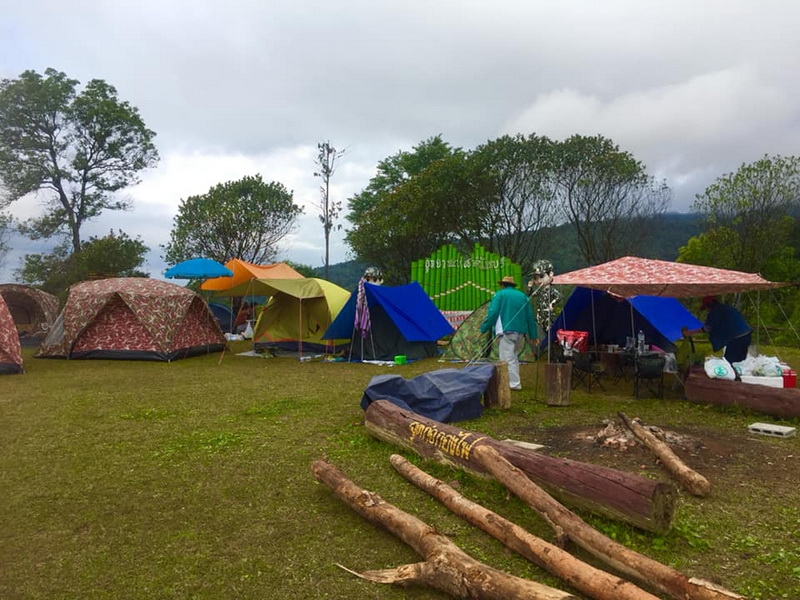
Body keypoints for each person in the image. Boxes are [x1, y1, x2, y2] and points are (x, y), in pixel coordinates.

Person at [480, 275, 539, 390]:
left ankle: (513, 384)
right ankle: (513, 381)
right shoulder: (522, 296)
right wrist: (533, 335)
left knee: (506, 358)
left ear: (502, 285)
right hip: (521, 332)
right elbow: (530, 317)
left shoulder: (500, 295)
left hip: (507, 330)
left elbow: (493, 313)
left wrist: (484, 328)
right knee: (514, 357)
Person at [682, 295, 752, 378]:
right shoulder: (726, 308)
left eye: (707, 307)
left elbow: (708, 328)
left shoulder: (716, 311)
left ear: (710, 304)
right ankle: (740, 379)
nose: (707, 310)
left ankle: (731, 382)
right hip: (746, 335)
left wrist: (690, 332)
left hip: (737, 338)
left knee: (728, 362)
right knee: (739, 362)